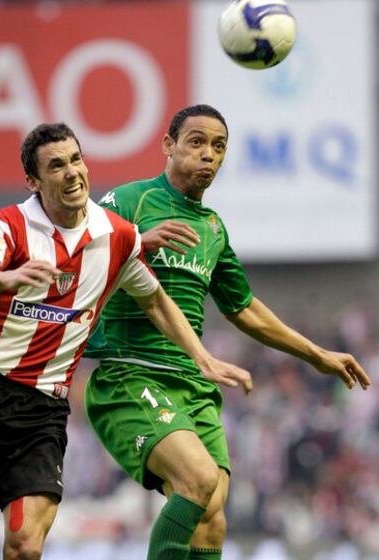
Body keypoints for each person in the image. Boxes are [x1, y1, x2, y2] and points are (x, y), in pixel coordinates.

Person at [84, 104, 371, 560]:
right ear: (168, 146)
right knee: (197, 481)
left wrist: (316, 354)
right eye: (196, 142)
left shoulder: (212, 227)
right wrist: (136, 240)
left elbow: (244, 308)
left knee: (213, 513)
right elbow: (81, 259)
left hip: (194, 385)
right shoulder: (128, 201)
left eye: (218, 147)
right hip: (132, 375)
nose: (208, 155)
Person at [0, 121, 253, 560]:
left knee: (24, 546)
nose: (71, 172)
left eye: (76, 159)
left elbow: (155, 300)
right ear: (33, 181)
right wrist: (8, 277)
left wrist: (202, 357)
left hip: (41, 411)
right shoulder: (9, 226)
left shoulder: (116, 235)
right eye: (56, 166)